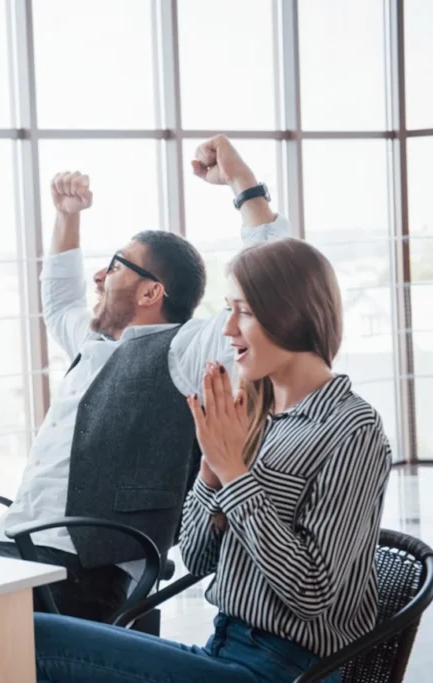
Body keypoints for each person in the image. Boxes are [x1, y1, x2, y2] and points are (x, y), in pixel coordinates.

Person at [0, 135, 290, 623]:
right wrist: (67, 216)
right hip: (10, 545)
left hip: (78, 570)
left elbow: (276, 285)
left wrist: (243, 184)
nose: (98, 278)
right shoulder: (93, 343)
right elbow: (59, 300)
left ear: (152, 292)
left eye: (114, 267)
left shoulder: (185, 348)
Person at [33, 238, 392, 683]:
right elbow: (201, 558)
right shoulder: (257, 417)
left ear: (290, 313)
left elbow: (311, 591)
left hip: (284, 670)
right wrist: (210, 470)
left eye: (244, 312)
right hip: (222, 649)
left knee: (36, 642)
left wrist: (235, 475)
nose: (228, 330)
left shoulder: (351, 429)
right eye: (228, 311)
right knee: (20, 634)